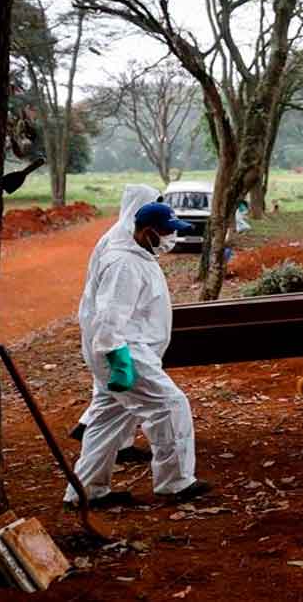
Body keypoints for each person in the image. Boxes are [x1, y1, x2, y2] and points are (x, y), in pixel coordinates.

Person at [64, 202, 211, 506]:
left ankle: (86, 491)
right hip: (125, 352)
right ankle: (176, 483)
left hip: (127, 350)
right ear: (146, 232)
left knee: (106, 420)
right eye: (166, 231)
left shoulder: (138, 257)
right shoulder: (124, 264)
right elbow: (109, 315)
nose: (171, 237)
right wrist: (117, 359)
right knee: (170, 405)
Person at [69, 184, 160, 463]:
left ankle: (101, 433)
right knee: (122, 388)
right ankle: (106, 439)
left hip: (109, 326)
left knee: (111, 390)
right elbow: (114, 301)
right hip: (109, 327)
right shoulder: (120, 242)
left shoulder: (123, 235)